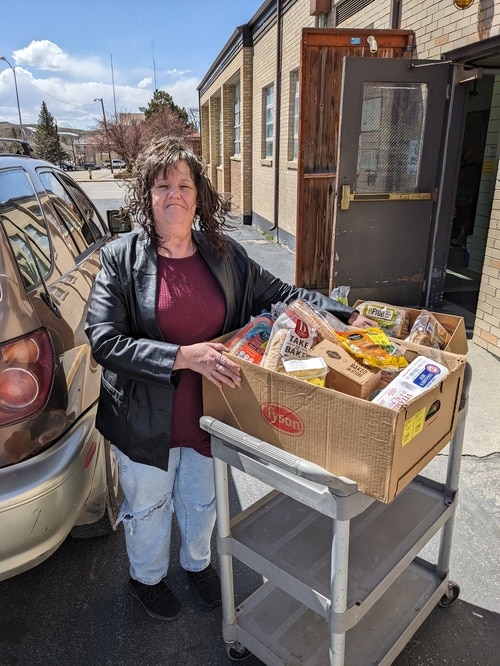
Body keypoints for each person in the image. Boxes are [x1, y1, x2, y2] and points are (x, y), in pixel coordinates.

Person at [85, 136, 374, 622]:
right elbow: (104, 339)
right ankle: (147, 579)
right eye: (162, 185)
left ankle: (197, 566)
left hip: (211, 416)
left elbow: (284, 294)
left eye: (183, 184)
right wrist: (182, 356)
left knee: (201, 502)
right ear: (146, 195)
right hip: (143, 420)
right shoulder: (121, 259)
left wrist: (342, 316)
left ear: (199, 196)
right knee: (148, 510)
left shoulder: (224, 255)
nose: (173, 194)